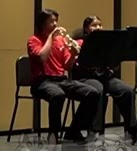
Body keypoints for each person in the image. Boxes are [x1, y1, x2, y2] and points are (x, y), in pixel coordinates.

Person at [27, 9, 101, 142]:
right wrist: (51, 37)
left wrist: (73, 53)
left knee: (92, 93)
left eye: (56, 21)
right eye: (51, 22)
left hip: (61, 80)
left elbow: (67, 66)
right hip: (42, 81)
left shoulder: (61, 41)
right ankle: (53, 134)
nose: (55, 24)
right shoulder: (34, 40)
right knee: (58, 95)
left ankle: (73, 131)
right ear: (42, 24)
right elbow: (42, 57)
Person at [73, 16, 137, 142]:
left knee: (127, 90)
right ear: (86, 29)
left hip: (106, 76)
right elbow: (78, 65)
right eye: (94, 25)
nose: (98, 28)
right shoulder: (81, 43)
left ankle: (131, 130)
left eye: (99, 25)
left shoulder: (107, 44)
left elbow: (115, 64)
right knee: (99, 90)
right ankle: (94, 130)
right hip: (86, 77)